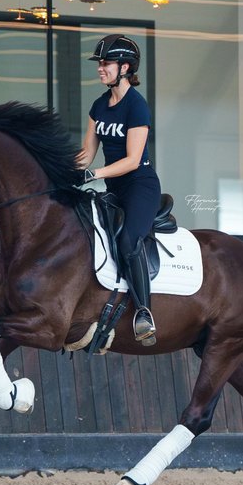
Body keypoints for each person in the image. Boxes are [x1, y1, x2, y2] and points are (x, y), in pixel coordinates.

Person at [75, 34, 161, 346]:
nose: (100, 68)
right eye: (99, 63)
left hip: (140, 186)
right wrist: (62, 168)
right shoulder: (99, 105)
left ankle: (143, 312)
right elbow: (86, 153)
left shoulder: (136, 106)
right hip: (112, 186)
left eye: (106, 63)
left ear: (125, 67)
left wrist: (93, 173)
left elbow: (133, 160)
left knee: (128, 240)